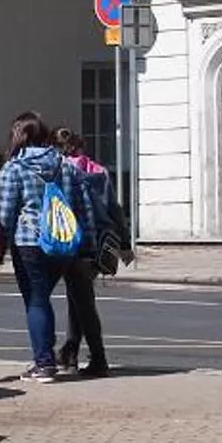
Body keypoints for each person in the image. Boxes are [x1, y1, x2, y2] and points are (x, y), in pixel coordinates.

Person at [0, 112, 101, 382]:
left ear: (19, 136)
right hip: (63, 243)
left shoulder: (13, 168)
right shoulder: (65, 165)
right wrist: (88, 245)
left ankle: (44, 363)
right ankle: (46, 356)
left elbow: (6, 213)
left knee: (36, 300)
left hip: (29, 243)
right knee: (42, 299)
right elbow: (84, 206)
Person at [52, 126, 125, 378]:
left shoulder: (62, 171)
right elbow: (114, 210)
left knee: (81, 300)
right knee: (80, 298)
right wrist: (124, 245)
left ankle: (93, 357)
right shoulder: (99, 172)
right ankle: (71, 350)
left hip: (72, 241)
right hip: (99, 243)